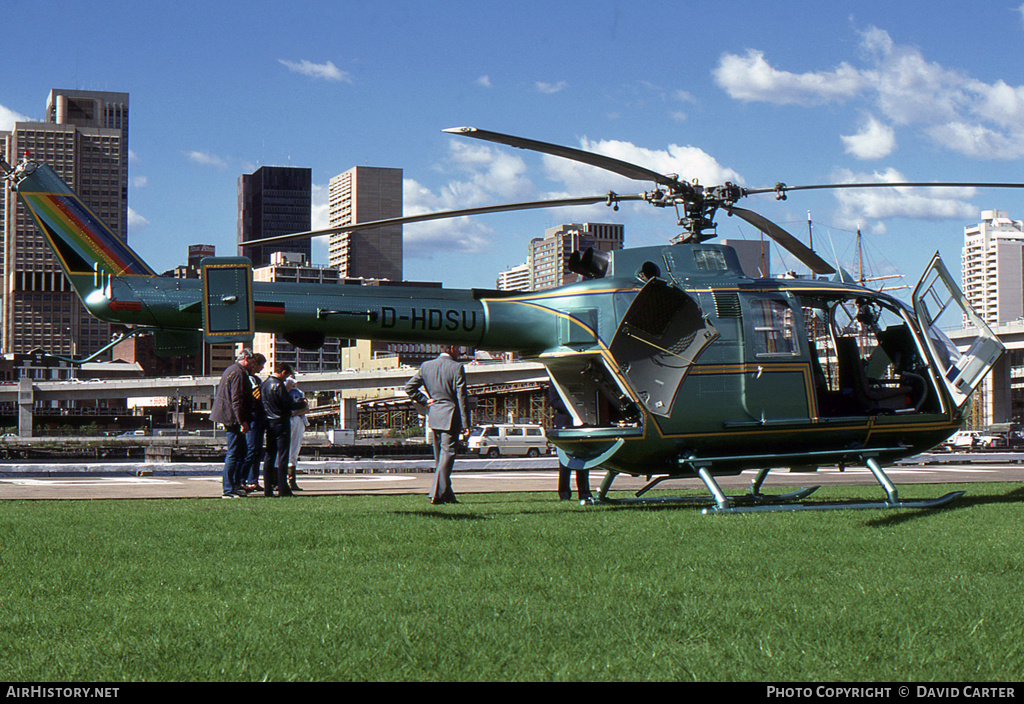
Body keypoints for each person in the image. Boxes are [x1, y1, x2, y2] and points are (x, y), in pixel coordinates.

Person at [404, 345, 470, 505]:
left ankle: (447, 494)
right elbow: (461, 397)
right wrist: (466, 423)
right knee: (448, 455)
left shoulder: (426, 366)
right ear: (452, 348)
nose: (459, 352)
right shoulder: (457, 367)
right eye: (458, 349)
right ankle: (436, 494)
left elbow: (409, 387)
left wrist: (425, 401)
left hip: (434, 415)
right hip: (451, 416)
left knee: (439, 457)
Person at [211, 348, 261, 498]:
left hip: (230, 417)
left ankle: (236, 485)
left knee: (241, 452)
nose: (254, 364)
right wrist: (242, 421)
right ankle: (228, 489)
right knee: (234, 453)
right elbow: (237, 400)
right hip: (232, 418)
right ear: (246, 359)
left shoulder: (232, 370)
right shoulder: (238, 373)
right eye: (252, 361)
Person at [261, 362, 307, 497]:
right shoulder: (278, 385)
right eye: (286, 375)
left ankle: (268, 488)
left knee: (269, 455)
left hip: (269, 422)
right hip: (281, 421)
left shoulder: (265, 384)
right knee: (283, 455)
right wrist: (301, 403)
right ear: (283, 372)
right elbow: (288, 404)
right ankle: (283, 487)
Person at [548, 384, 591, 504]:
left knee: (583, 459)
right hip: (564, 422)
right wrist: (571, 407)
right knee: (564, 462)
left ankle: (584, 492)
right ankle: (564, 493)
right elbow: (554, 401)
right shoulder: (553, 382)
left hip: (580, 423)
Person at [242, 353, 267, 493]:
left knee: (256, 450)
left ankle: (253, 480)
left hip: (258, 417)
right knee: (251, 449)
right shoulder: (249, 379)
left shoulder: (256, 379)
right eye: (261, 365)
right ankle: (244, 479)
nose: (262, 368)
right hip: (252, 416)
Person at [285, 375, 309, 492]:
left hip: (298, 419)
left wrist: (295, 413)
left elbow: (306, 408)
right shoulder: (281, 390)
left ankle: (291, 480)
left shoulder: (299, 392)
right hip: (286, 420)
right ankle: (279, 480)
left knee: (294, 450)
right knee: (284, 450)